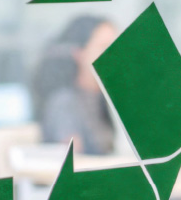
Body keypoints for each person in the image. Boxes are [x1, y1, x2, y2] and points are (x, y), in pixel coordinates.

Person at [32, 15, 118, 155]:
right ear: (79, 53)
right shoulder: (64, 103)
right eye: (104, 47)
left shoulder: (104, 100)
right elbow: (74, 162)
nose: (113, 55)